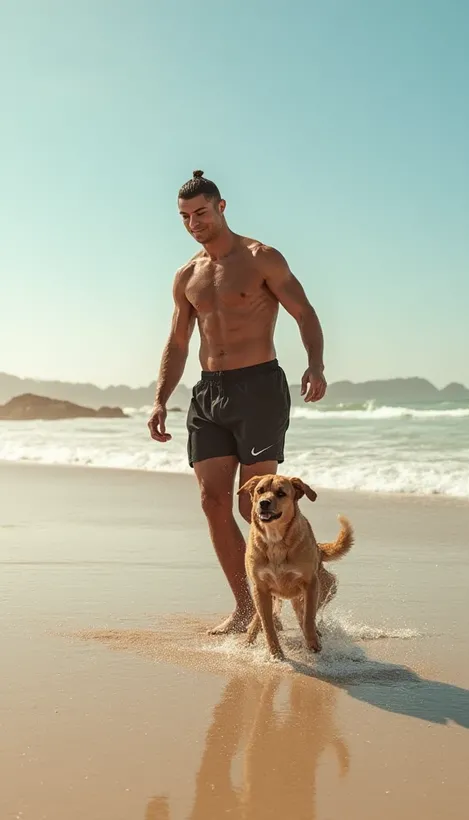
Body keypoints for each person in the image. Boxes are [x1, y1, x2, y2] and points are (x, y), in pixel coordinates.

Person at [148, 170, 327, 634]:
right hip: (208, 393)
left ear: (222, 207)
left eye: (201, 213)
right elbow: (178, 342)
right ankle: (247, 606)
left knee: (258, 503)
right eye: (185, 217)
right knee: (211, 501)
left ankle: (302, 581)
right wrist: (160, 399)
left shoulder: (260, 257)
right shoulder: (186, 275)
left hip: (259, 388)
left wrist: (315, 364)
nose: (193, 223)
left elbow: (304, 312)